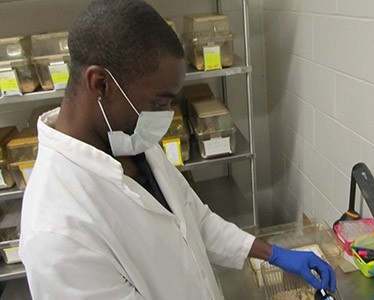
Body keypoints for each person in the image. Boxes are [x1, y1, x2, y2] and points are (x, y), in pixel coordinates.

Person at [19, 0, 336, 299]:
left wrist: (274, 254)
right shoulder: (57, 231)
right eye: (158, 102)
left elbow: (194, 220)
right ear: (100, 84)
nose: (166, 116)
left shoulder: (129, 139)